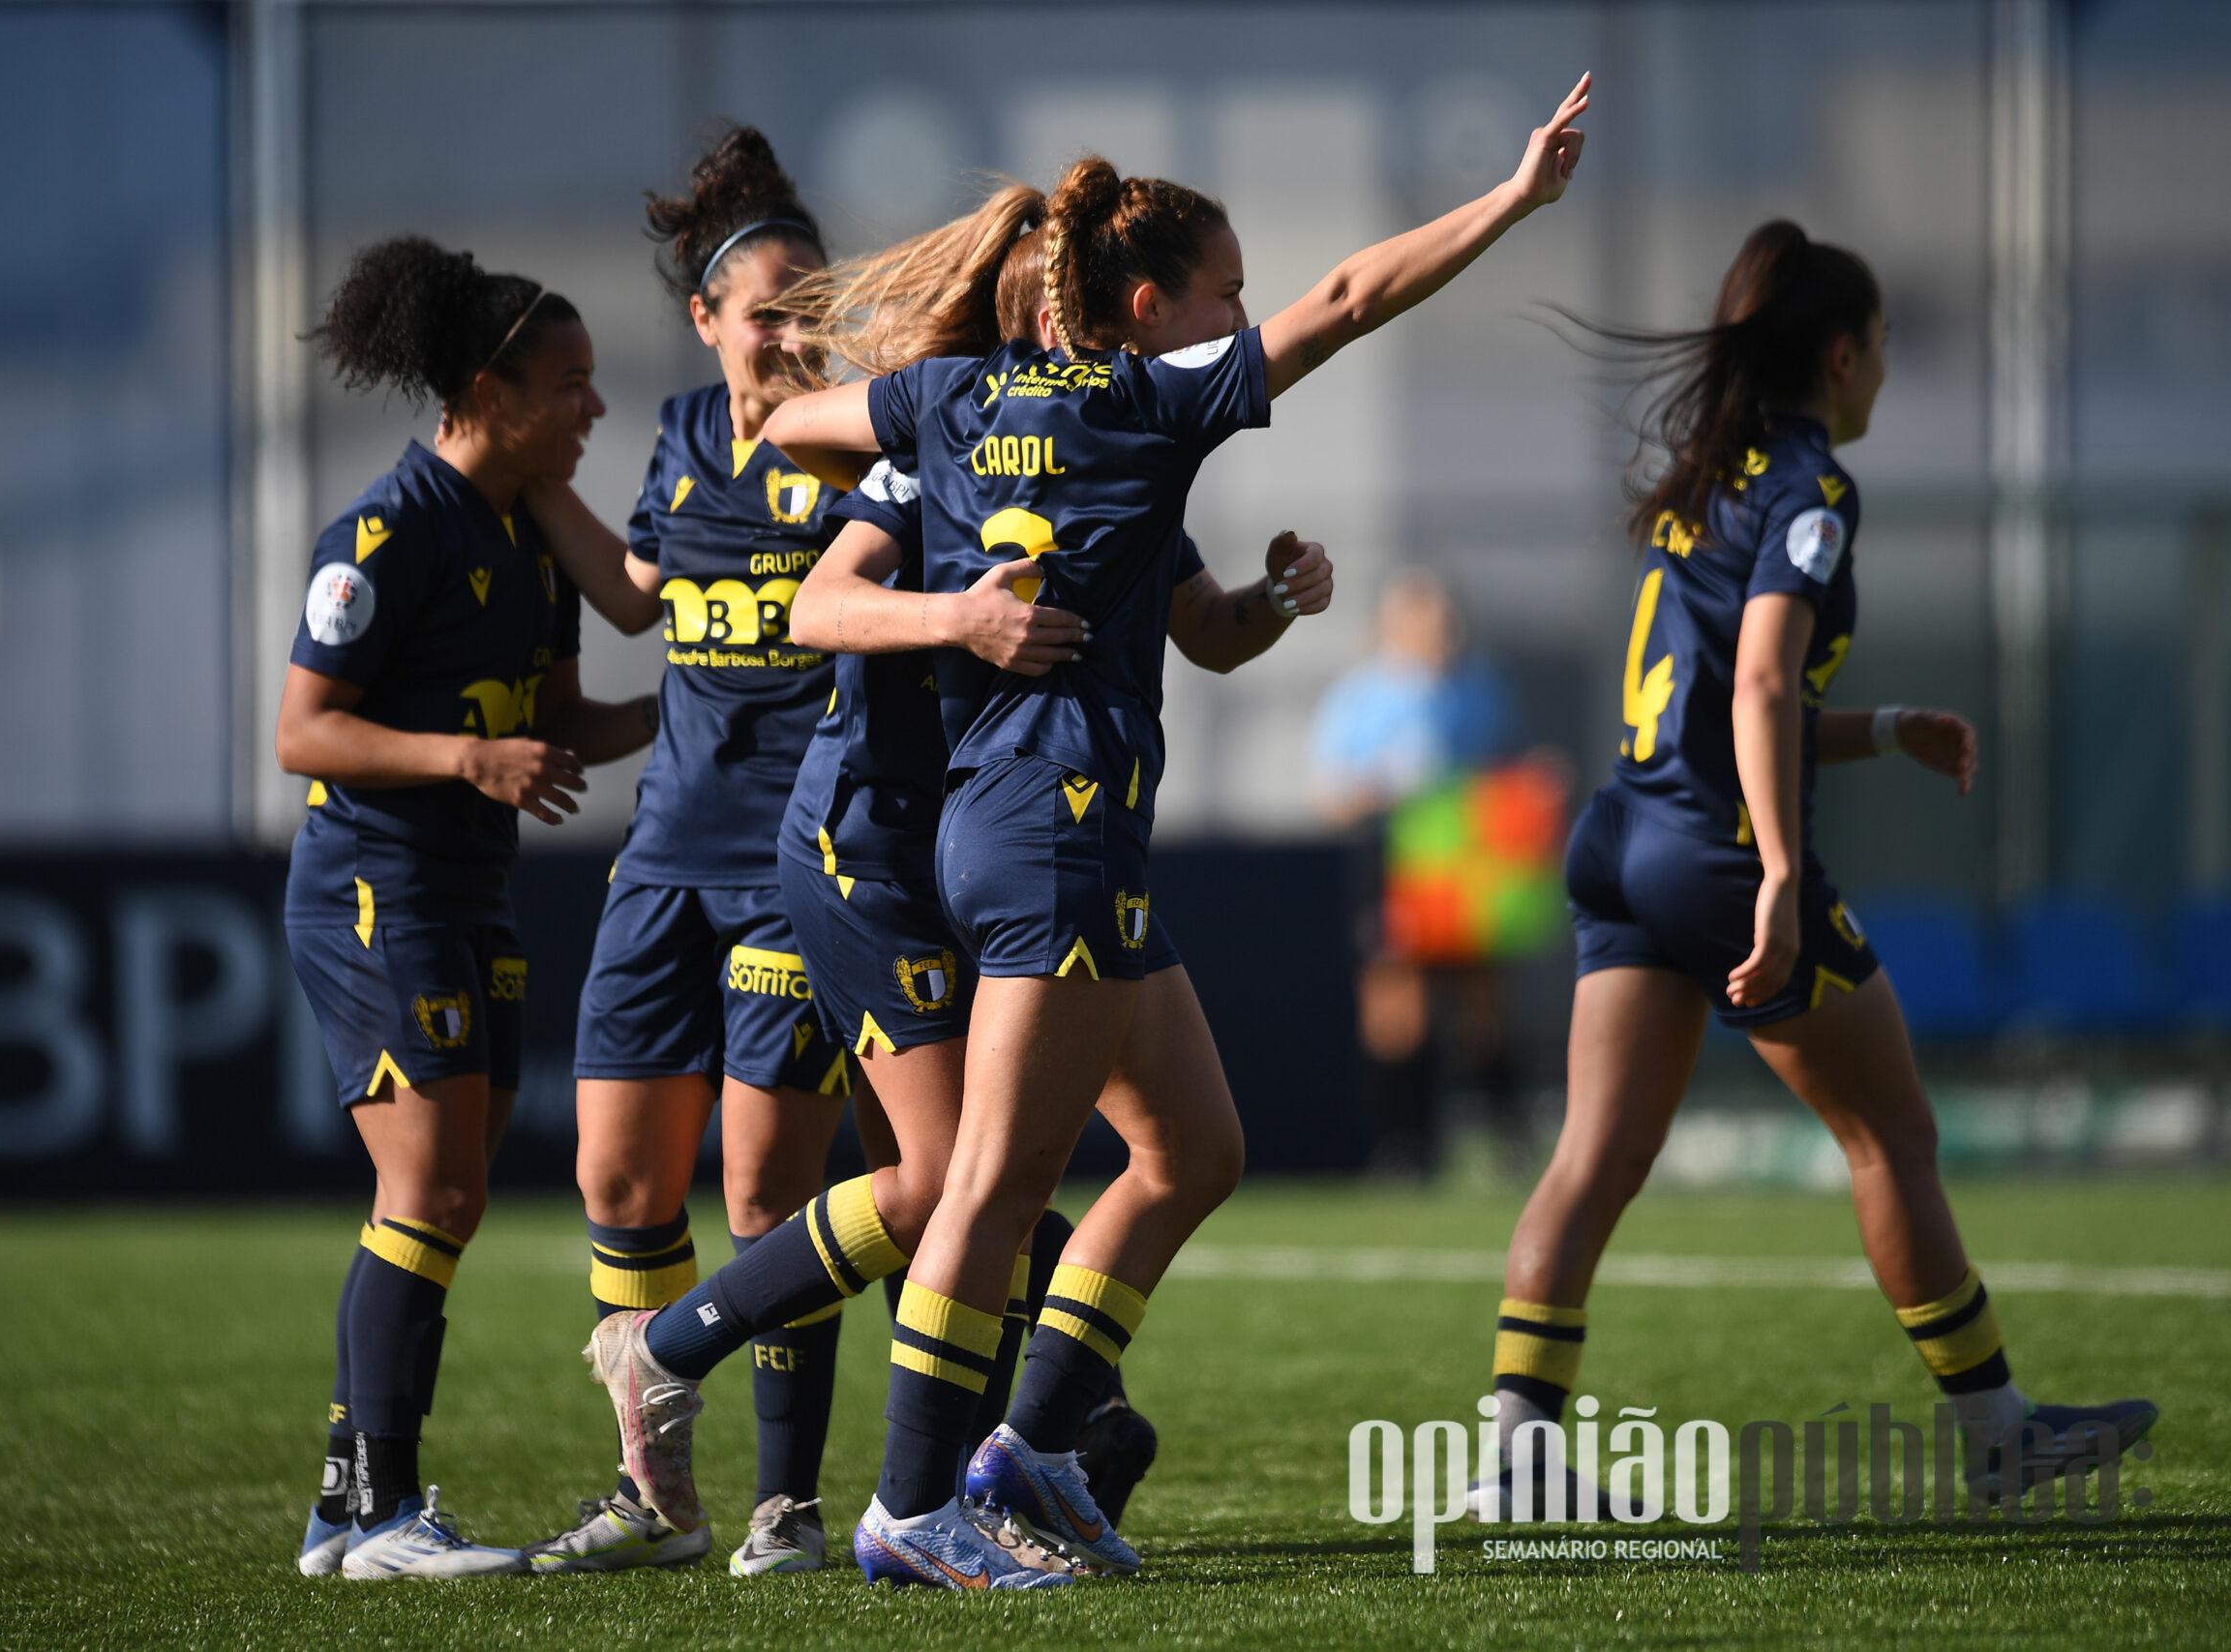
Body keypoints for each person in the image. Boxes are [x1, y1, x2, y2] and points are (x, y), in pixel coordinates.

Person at [728, 74, 1591, 1585]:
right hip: (1044, 827)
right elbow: (1349, 299)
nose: (1242, 316)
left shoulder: (947, 402)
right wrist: (1511, 200)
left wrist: (859, 448)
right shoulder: (1148, 409)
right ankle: (914, 1503)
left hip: (1044, 832)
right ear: (1142, 305)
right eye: (1222, 295)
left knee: (1194, 1146)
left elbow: (791, 424)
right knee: (993, 1180)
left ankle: (1033, 1449)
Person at [579, 204, 1329, 1589]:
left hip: (1000, 842)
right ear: (1036, 315)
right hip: (877, 849)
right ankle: (732, 1380)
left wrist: (1274, 601)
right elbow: (820, 604)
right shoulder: (938, 443)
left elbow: (1201, 625)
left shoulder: (1099, 454)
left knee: (1170, 1150)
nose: (1061, 326)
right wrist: (959, 615)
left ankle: (1022, 1452)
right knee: (950, 1181)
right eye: (1042, 303)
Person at [1469, 219, 2156, 1518]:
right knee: (1891, 1130)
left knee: (1595, 1153)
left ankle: (1516, 1452)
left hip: (1625, 834)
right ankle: (1999, 1430)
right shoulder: (1808, 489)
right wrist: (1783, 871)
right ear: (1840, 353)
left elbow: (1727, 694)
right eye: (1886, 343)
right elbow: (1769, 675)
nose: (1888, 369)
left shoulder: (1707, 473)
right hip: (1718, 852)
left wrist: (1885, 729)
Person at [277, 235, 655, 1579]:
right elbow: (303, 733)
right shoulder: (385, 533)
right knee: (427, 1186)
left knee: (450, 1193)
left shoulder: (532, 541)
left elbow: (559, 724)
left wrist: (707, 708)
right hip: (377, 891)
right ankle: (373, 1512)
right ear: (486, 387)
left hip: (469, 889)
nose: (593, 408)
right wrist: (462, 759)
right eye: (569, 382)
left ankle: (351, 1502)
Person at [513, 127, 861, 1579]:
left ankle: (787, 1502)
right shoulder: (675, 431)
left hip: (799, 851)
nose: (786, 329)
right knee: (616, 1178)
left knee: (767, 1195)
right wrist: (527, 472)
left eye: (808, 306)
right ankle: (661, 1496)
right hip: (664, 848)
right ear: (707, 316)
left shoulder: (859, 437)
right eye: (763, 306)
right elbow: (638, 593)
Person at [1308, 571, 1529, 1179]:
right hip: (1392, 861)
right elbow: (1330, 794)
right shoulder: (1361, 696)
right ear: (1395, 625)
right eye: (1425, 619)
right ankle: (1403, 1148)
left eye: (1446, 618)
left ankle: (1511, 1140)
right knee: (1398, 1010)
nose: (1441, 631)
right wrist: (1387, 792)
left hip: (1468, 863)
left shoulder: (1482, 688)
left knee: (1484, 1006)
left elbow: (1509, 771)